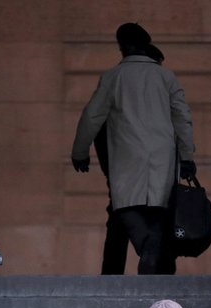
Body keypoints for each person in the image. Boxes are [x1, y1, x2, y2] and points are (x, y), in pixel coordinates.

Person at [72, 23, 195, 275]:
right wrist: (188, 156)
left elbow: (91, 117)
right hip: (162, 160)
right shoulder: (166, 77)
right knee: (159, 216)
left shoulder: (113, 77)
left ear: (122, 46)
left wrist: (80, 152)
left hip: (126, 160)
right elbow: (182, 118)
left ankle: (145, 246)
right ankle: (158, 272)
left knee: (125, 209)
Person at [95, 42, 166, 275]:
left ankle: (115, 275)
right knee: (145, 224)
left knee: (120, 220)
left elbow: (96, 125)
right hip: (142, 173)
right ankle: (150, 264)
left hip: (125, 173)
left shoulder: (121, 87)